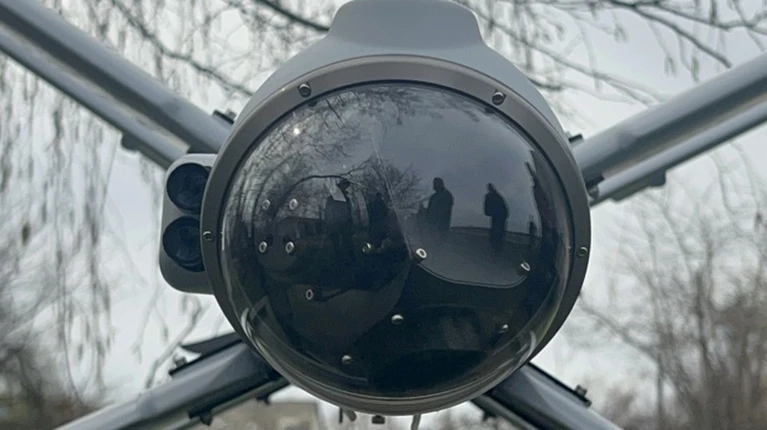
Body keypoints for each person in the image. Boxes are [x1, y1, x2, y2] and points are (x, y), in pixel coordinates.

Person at [484, 183, 508, 253]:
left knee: (497, 236)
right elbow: (487, 211)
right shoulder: (497, 196)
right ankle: (496, 250)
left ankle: (496, 250)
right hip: (498, 219)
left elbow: (487, 211)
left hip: (499, 219)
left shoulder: (495, 197)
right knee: (496, 236)